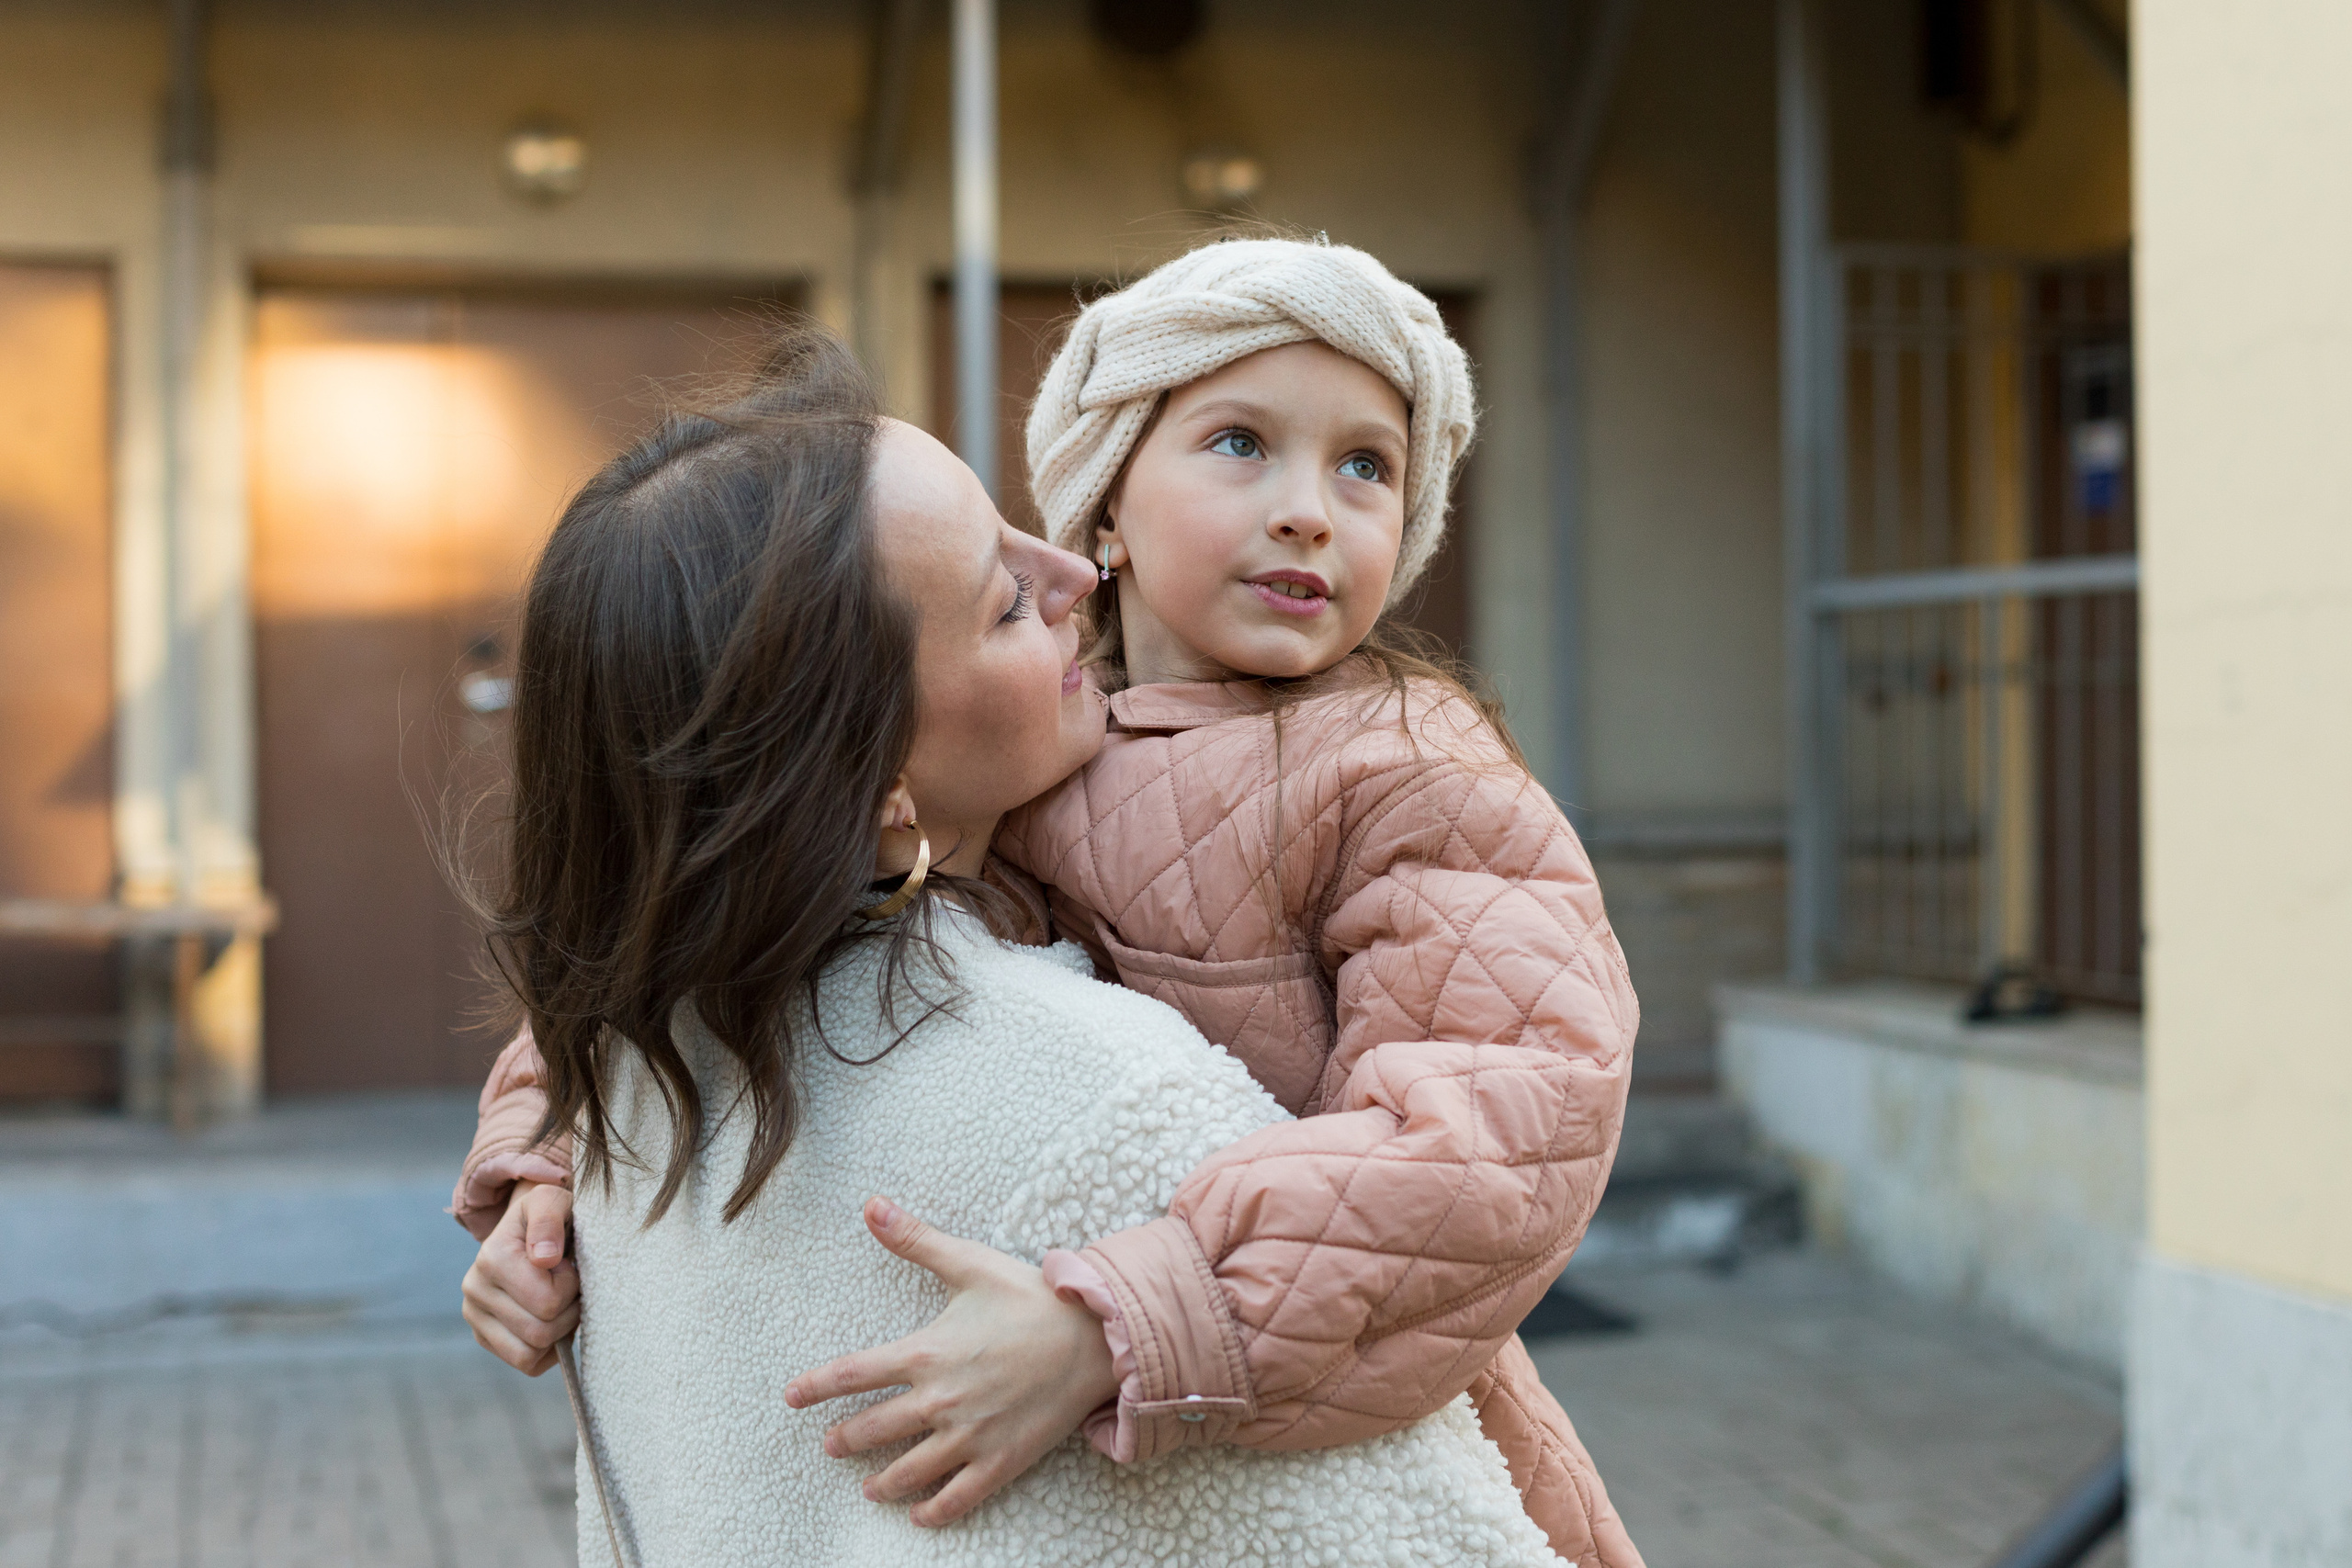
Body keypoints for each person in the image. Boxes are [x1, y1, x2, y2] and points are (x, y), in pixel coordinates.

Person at [461, 238, 1644, 1567]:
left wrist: (1124, 1320)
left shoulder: (1403, 768)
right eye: (1241, 443)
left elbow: (1506, 1130)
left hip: (1343, 1375)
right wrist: (546, 1167)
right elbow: (687, 923)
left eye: (1370, 465)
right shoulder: (1035, 761)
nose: (1312, 508)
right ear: (1109, 512)